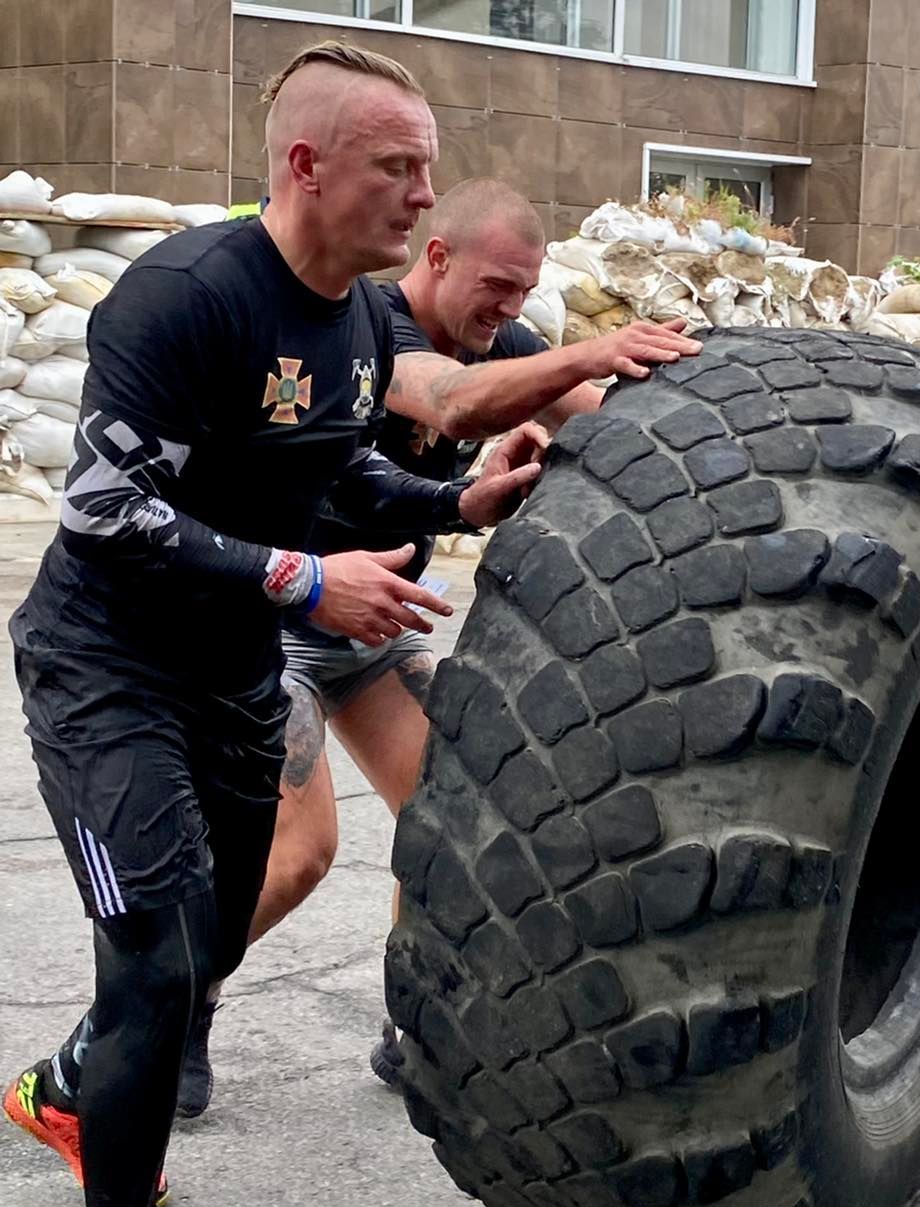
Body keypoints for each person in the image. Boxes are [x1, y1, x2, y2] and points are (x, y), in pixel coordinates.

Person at [1, 42, 543, 1207]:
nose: (423, 197)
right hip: (104, 669)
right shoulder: (180, 295)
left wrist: (458, 499)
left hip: (230, 679)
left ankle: (71, 1087)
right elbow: (105, 510)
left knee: (210, 940)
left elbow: (334, 471)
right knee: (153, 959)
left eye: (429, 167)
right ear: (306, 165)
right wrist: (307, 582)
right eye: (398, 167)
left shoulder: (359, 325)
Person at [174, 179, 702, 1117]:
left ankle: (412, 1022)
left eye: (524, 292)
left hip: (377, 628)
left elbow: (608, 412)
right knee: (297, 853)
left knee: (457, 824)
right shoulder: (374, 323)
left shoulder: (507, 339)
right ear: (440, 258)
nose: (506, 312)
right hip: (278, 617)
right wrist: (587, 353)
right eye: (495, 287)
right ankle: (174, 1004)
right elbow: (451, 404)